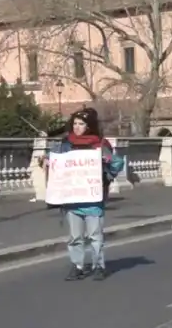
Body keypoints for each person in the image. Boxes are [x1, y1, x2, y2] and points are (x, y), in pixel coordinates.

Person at [45, 109, 121, 281]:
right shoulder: (66, 144)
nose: (77, 128)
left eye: (81, 124)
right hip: (72, 198)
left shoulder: (100, 145)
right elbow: (54, 158)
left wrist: (106, 175)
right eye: (75, 124)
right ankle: (77, 265)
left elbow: (116, 163)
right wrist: (48, 160)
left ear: (89, 126)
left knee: (95, 235)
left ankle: (98, 265)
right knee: (75, 236)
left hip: (93, 198)